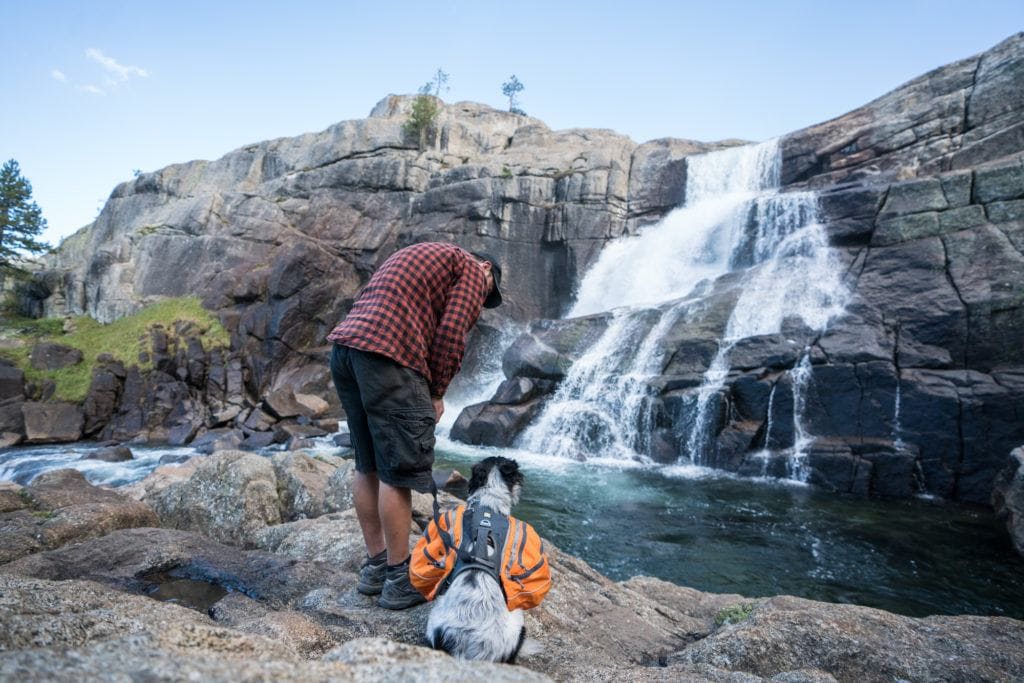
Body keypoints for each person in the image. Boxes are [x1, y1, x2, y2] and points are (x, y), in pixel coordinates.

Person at [327, 242, 503, 609]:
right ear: (487, 269)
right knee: (397, 473)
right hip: (387, 356)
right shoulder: (472, 268)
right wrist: (437, 392)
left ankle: (375, 568)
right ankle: (398, 578)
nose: (481, 302)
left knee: (368, 464)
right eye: (487, 296)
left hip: (346, 350)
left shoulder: (422, 255)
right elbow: (453, 332)